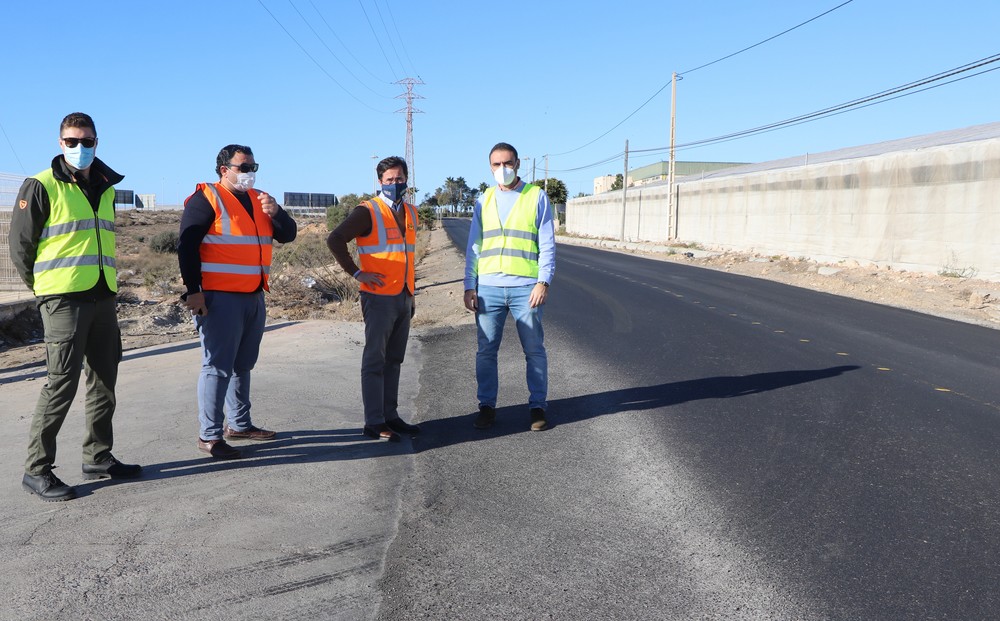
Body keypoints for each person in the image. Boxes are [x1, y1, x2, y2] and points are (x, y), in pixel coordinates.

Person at [8, 112, 142, 501]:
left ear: (97, 142)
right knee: (61, 383)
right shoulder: (41, 185)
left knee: (104, 379)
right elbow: (20, 246)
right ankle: (36, 471)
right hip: (63, 298)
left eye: (87, 141)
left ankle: (98, 456)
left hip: (102, 294)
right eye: (72, 141)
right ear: (59, 143)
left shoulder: (107, 187)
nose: (80, 148)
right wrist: (45, 289)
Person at [178, 144, 297, 459]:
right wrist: (194, 290)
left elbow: (288, 235)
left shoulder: (261, 201)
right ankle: (210, 436)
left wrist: (278, 212)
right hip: (219, 297)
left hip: (253, 295)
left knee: (243, 364)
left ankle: (240, 425)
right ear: (224, 170)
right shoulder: (206, 199)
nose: (250, 173)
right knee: (217, 366)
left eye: (254, 167)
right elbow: (187, 246)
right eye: (244, 167)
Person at [327, 156, 421, 442]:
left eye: (400, 178)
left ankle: (390, 416)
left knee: (394, 360)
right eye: (390, 179)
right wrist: (356, 273)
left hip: (403, 295)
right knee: (375, 361)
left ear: (407, 179)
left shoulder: (411, 212)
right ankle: (374, 422)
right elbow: (335, 239)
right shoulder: (367, 211)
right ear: (380, 181)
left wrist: (410, 294)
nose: (395, 183)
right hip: (378, 297)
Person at [464, 142, 556, 431]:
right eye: (496, 164)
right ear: (489, 167)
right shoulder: (484, 199)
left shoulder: (536, 196)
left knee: (534, 350)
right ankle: (486, 407)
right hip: (489, 287)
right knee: (486, 352)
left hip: (525, 288)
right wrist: (470, 285)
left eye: (507, 163)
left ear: (517, 164)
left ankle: (537, 407)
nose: (502, 169)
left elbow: (547, 244)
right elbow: (474, 247)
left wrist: (543, 281)